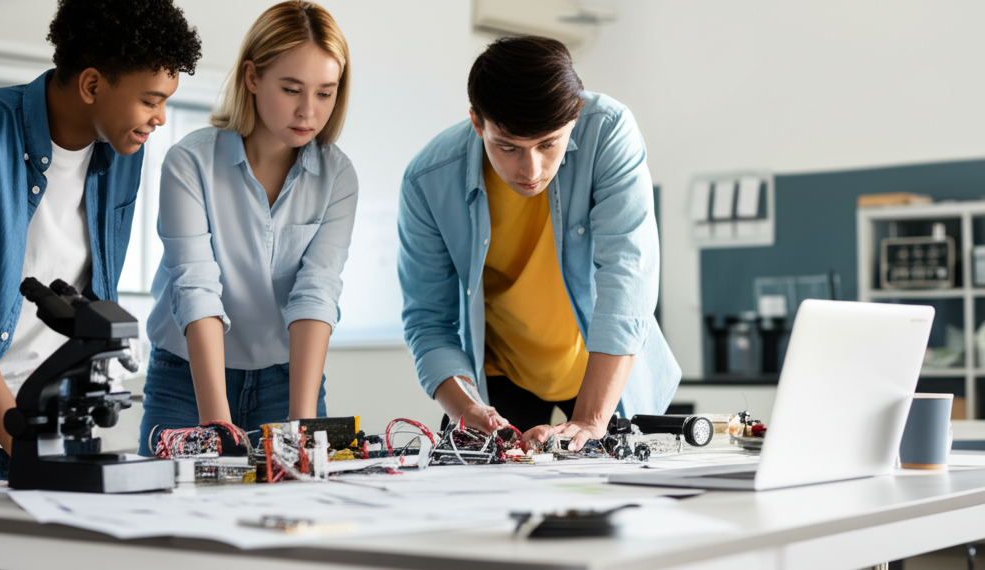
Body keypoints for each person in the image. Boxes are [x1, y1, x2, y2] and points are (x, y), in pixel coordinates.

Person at [397, 36, 681, 452]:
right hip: (500, 378)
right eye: (508, 147)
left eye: (549, 144)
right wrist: (465, 409)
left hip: (603, 372)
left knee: (618, 508)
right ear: (478, 123)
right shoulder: (427, 180)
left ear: (575, 117)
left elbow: (628, 279)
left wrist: (590, 419)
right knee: (488, 508)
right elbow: (428, 322)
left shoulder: (609, 131)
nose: (531, 170)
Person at [0, 0, 201, 480]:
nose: (160, 118)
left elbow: (94, 294)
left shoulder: (122, 149)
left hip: (65, 437)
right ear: (92, 84)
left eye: (167, 101)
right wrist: (24, 447)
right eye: (151, 100)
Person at [138, 0, 357, 455]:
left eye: (325, 92)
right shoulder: (190, 162)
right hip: (185, 376)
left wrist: (301, 427)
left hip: (286, 377)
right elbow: (195, 285)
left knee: (296, 509)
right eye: (292, 89)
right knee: (174, 510)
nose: (308, 112)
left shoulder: (338, 177)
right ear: (253, 77)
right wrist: (216, 426)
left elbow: (316, 291)